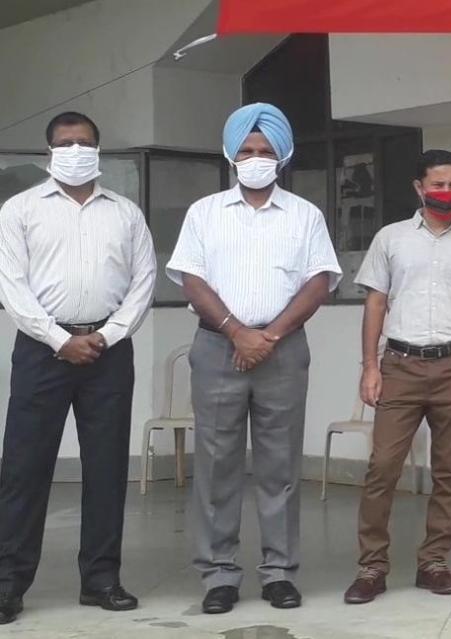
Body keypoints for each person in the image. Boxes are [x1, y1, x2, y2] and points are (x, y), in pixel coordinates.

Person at [166, 103, 342, 615]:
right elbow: (192, 280)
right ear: (230, 155)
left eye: (265, 150)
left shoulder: (305, 215)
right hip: (217, 346)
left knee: (280, 465)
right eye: (246, 150)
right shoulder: (204, 212)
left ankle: (279, 573)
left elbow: (319, 282)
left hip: (282, 350)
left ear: (282, 156)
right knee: (216, 464)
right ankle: (218, 575)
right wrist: (238, 332)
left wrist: (268, 336)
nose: (256, 158)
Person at [0, 112, 156, 624]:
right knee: (24, 468)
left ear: (98, 150)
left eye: (83, 143)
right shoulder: (19, 210)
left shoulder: (125, 214)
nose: (74, 151)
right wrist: (60, 339)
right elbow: (11, 286)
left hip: (108, 352)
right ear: (49, 152)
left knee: (107, 468)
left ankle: (101, 579)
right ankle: (8, 583)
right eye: (64, 143)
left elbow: (144, 281)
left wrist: (108, 335)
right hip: (41, 351)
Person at [343, 149, 451, 604]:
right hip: (400, 365)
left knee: (449, 470)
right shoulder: (391, 238)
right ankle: (372, 567)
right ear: (419, 188)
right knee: (383, 467)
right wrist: (370, 366)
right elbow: (375, 304)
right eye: (438, 184)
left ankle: (434, 562)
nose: (446, 192)